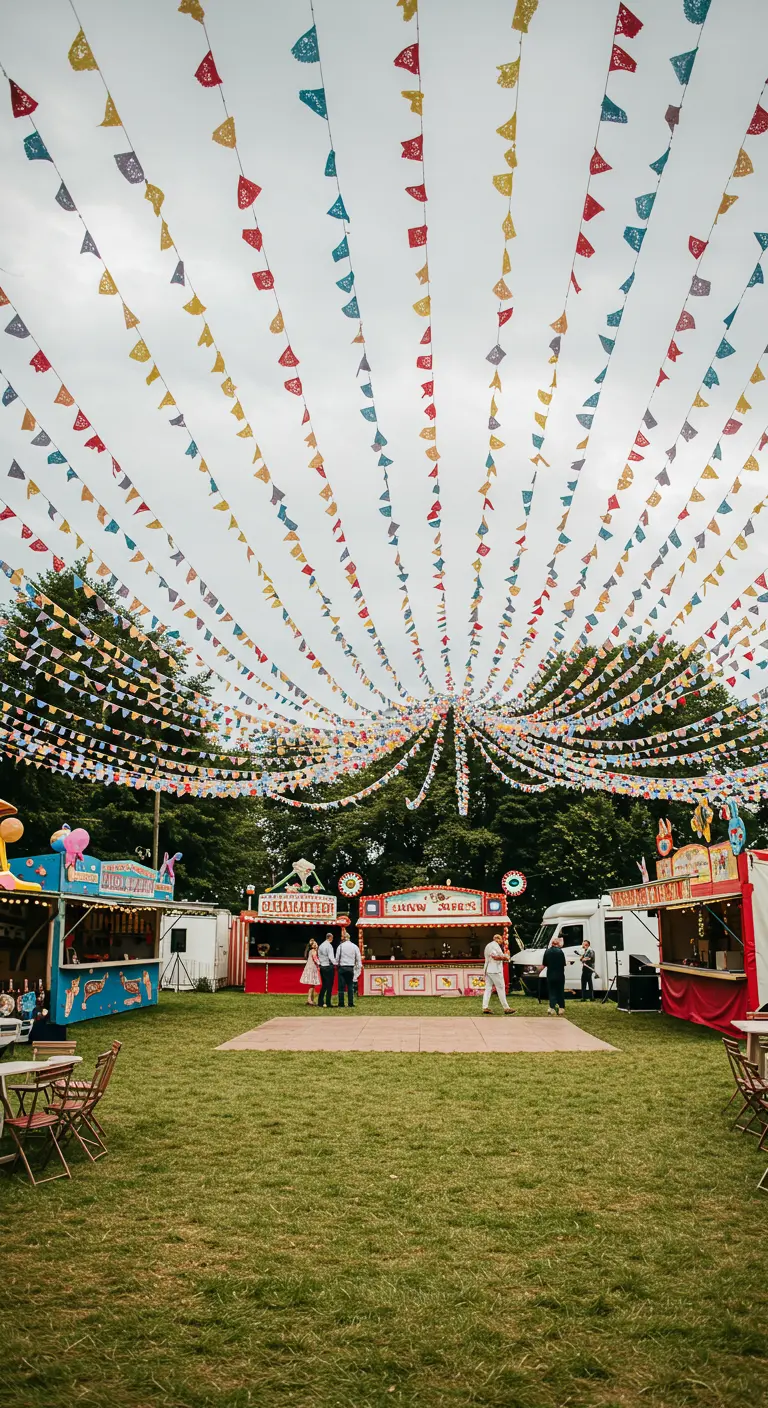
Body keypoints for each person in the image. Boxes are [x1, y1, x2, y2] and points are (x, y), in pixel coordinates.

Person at [482, 933, 516, 1016]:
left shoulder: (488, 945)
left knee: (488, 988)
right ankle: (506, 1008)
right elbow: (494, 956)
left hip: (488, 969)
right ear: (497, 939)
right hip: (495, 970)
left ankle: (485, 1007)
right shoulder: (495, 946)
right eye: (501, 940)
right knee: (501, 988)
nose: (502, 942)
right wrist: (505, 957)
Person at [541, 935, 566, 1015]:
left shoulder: (547, 951)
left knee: (552, 991)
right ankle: (561, 1008)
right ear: (558, 944)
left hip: (550, 973)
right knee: (560, 990)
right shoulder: (560, 952)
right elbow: (563, 963)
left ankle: (551, 1007)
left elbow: (544, 963)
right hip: (559, 974)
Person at [335, 935, 362, 1008]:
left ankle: (341, 1003)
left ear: (344, 938)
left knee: (341, 987)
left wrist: (337, 965)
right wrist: (358, 968)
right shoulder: (354, 946)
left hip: (342, 968)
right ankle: (350, 1003)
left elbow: (337, 958)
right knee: (350, 986)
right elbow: (358, 958)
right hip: (350, 968)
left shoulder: (340, 946)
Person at [316, 932, 337, 1009]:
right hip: (328, 967)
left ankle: (320, 1001)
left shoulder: (321, 945)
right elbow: (331, 957)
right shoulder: (329, 946)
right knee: (329, 985)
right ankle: (328, 1002)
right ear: (330, 938)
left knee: (324, 985)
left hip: (322, 967)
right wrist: (336, 963)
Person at [299, 937, 321, 1006]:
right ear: (312, 946)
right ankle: (309, 999)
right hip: (312, 969)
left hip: (310, 968)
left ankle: (311, 999)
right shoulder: (313, 951)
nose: (316, 944)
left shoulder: (310, 951)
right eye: (314, 944)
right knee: (312, 984)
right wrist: (320, 964)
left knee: (312, 985)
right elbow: (315, 959)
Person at [578, 935, 596, 1001]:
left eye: (583, 945)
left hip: (588, 968)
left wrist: (583, 959)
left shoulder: (590, 951)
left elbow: (588, 958)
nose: (582, 946)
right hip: (586, 968)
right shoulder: (586, 951)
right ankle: (589, 997)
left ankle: (586, 997)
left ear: (587, 945)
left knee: (586, 982)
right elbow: (582, 958)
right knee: (587, 982)